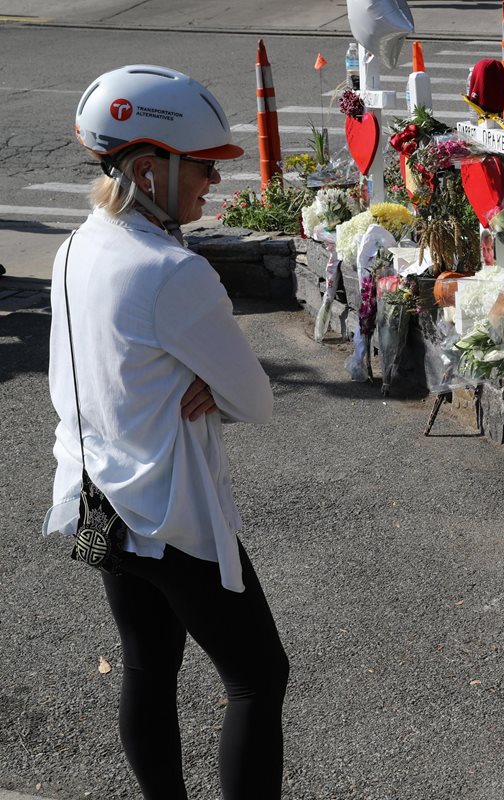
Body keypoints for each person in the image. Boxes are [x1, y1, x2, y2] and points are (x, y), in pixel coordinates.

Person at [44, 65, 289, 800]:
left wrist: (197, 382)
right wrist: (212, 387)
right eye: (204, 169)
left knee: (149, 665)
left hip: (97, 500)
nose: (212, 184)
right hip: (168, 512)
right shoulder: (170, 271)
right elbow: (256, 400)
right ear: (148, 169)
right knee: (257, 678)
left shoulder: (74, 248)